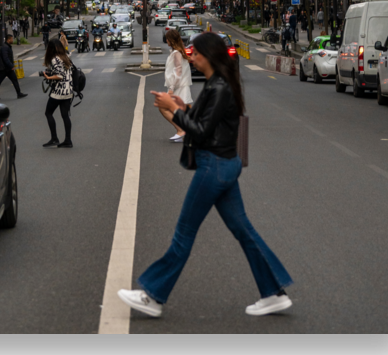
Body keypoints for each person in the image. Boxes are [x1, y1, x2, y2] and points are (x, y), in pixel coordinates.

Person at [118, 31, 293, 318]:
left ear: (209, 55)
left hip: (214, 166)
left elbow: (199, 131)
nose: (192, 57)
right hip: (224, 164)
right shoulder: (218, 84)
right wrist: (179, 105)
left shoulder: (219, 87)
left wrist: (173, 113)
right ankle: (274, 293)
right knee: (243, 231)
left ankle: (152, 295)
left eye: (196, 53)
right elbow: (202, 119)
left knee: (184, 233)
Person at [39, 39, 74, 149]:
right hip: (69, 90)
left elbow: (60, 75)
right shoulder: (66, 57)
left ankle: (54, 138)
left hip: (59, 91)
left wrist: (48, 77)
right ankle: (68, 140)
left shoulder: (55, 59)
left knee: (48, 113)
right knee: (65, 116)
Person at [163, 28, 193, 143]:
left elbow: (178, 71)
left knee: (164, 107)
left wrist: (171, 88)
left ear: (171, 40)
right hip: (180, 86)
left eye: (167, 39)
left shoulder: (177, 53)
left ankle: (181, 130)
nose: (166, 41)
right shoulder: (178, 52)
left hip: (178, 87)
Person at [0, 34, 28, 100]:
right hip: (4, 68)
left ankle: (19, 93)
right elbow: (5, 58)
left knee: (14, 80)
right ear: (9, 39)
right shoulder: (5, 47)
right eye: (12, 39)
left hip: (7, 68)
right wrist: (11, 65)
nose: (12, 40)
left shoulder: (7, 46)